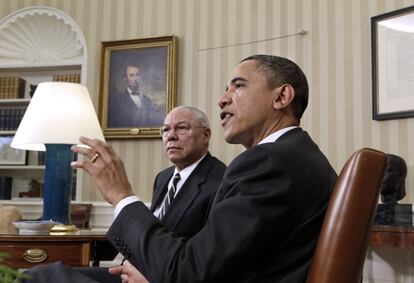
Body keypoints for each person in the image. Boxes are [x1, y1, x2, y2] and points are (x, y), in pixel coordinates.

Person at [29, 54, 338, 282]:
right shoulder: (300, 157)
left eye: (238, 86)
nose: (222, 99)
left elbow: (188, 271)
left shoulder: (269, 162)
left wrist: (121, 195)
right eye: (165, 129)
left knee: (42, 278)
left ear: (282, 97)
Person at [25, 106, 226, 283]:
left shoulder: (220, 180)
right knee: (39, 274)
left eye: (182, 128)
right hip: (129, 270)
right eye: (165, 129)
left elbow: (205, 262)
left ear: (206, 135)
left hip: (159, 277)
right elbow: (153, 228)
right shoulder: (164, 178)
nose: (170, 135)